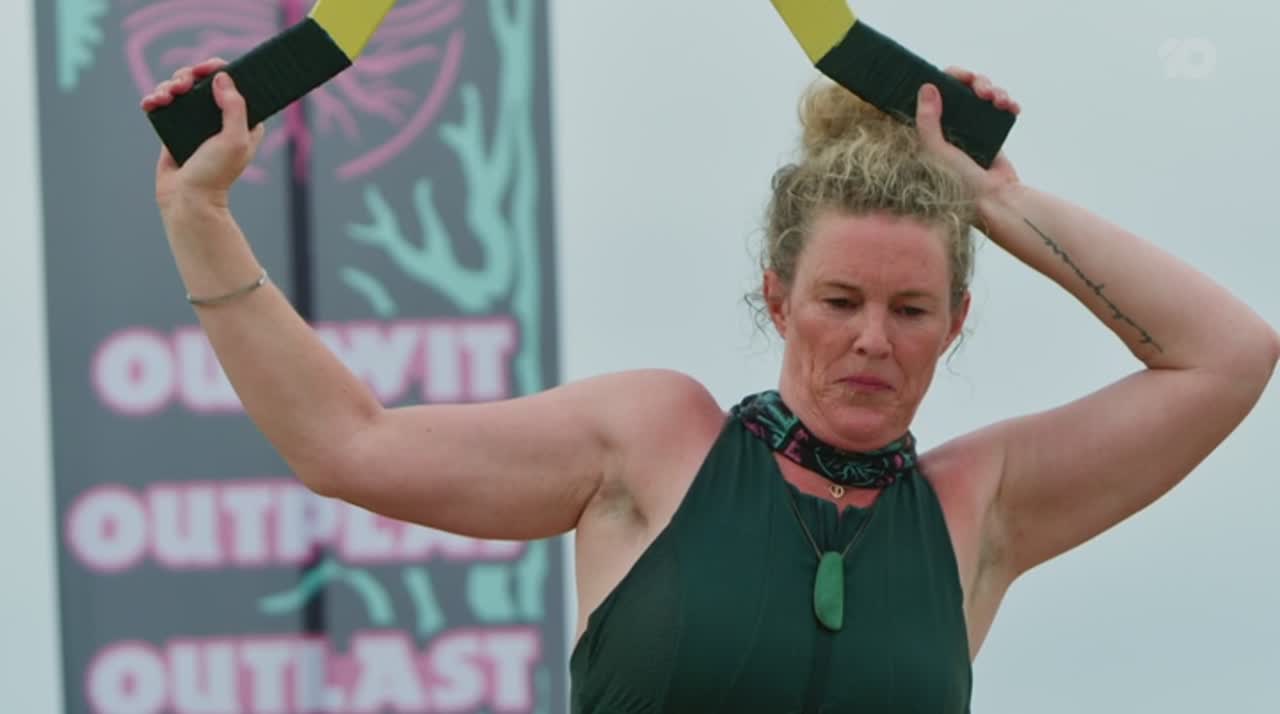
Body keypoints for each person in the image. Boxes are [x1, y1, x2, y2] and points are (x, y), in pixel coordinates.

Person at [142, 58, 1278, 712]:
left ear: (955, 323)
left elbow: (1228, 354)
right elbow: (348, 446)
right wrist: (197, 213)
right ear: (777, 299)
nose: (871, 340)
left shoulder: (980, 509)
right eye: (839, 301)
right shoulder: (651, 441)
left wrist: (998, 203)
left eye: (910, 309)